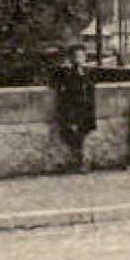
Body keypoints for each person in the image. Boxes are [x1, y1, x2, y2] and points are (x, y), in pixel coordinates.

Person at [49, 42, 97, 173]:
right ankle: (79, 163)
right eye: (76, 56)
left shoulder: (87, 73)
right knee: (76, 138)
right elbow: (56, 85)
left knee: (83, 137)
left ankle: (82, 162)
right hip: (73, 111)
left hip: (86, 110)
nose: (79, 59)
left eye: (82, 56)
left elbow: (90, 93)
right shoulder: (66, 73)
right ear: (71, 58)